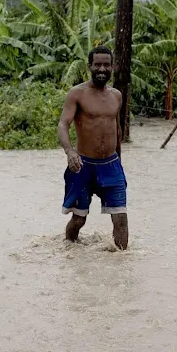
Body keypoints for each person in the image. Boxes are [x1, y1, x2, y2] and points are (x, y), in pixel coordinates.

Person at [56, 45, 129, 250]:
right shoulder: (77, 94)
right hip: (83, 166)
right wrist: (70, 151)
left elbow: (116, 130)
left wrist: (120, 165)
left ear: (112, 67)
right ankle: (69, 251)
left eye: (106, 65)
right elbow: (63, 124)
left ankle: (123, 263)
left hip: (111, 165)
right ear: (89, 66)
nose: (102, 69)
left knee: (121, 218)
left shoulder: (116, 96)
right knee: (79, 220)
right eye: (97, 64)